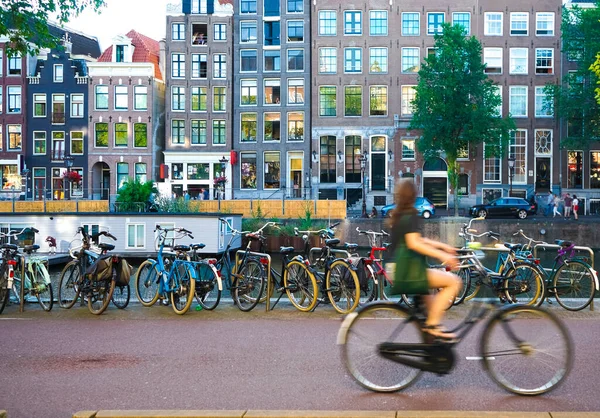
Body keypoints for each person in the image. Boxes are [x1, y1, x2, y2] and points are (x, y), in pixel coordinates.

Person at [386, 179, 461, 339]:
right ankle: (432, 327)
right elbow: (414, 243)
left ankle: (431, 342)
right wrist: (443, 256)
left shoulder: (399, 215)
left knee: (431, 307)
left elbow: (420, 240)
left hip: (396, 269)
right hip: (407, 271)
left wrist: (444, 247)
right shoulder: (411, 215)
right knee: (453, 282)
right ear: (413, 195)